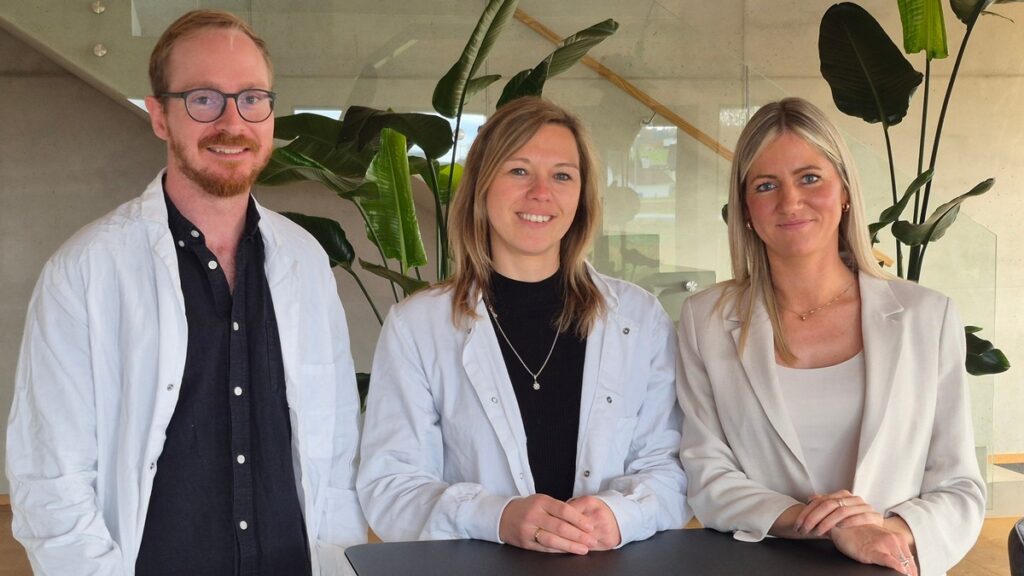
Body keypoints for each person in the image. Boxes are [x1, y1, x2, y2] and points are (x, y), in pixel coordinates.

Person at [6, 9, 365, 575]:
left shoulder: (305, 260)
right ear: (159, 117)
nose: (231, 121)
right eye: (203, 99)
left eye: (252, 98)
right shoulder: (86, 270)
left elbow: (336, 445)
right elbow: (50, 477)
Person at [356, 96, 689, 554]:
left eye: (562, 175)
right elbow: (390, 486)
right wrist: (496, 516)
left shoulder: (640, 318)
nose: (541, 192)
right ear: (482, 185)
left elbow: (669, 466)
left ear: (581, 195)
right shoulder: (417, 326)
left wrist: (620, 514)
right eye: (518, 170)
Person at [675, 97, 985, 576]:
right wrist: (826, 524)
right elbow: (708, 475)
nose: (790, 201)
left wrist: (884, 534)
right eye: (765, 185)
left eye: (810, 178)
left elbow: (959, 485)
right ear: (746, 210)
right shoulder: (705, 320)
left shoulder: (929, 316)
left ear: (843, 190)